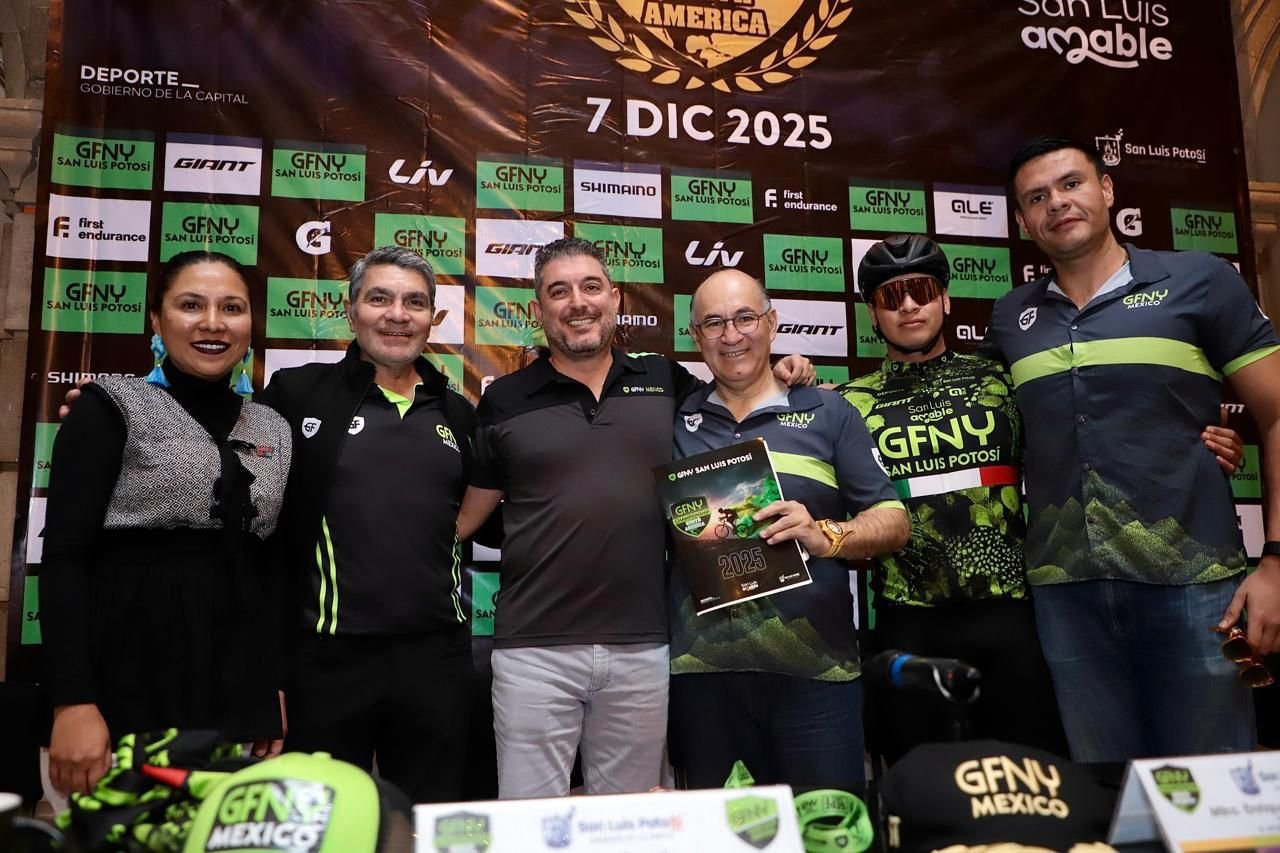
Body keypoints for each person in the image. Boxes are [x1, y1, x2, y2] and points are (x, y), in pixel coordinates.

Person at [457, 238, 813, 798]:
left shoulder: (666, 381)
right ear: (537, 310)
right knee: (529, 820)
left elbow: (739, 396)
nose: (578, 302)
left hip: (644, 647)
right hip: (533, 651)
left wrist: (787, 368)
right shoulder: (504, 400)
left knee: (631, 823)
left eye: (591, 287)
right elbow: (467, 516)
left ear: (615, 299)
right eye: (559, 291)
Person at [978, 135, 1280, 761]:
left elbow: (1277, 415)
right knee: (1110, 796)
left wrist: (1276, 564)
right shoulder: (1011, 317)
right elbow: (963, 409)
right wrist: (800, 379)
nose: (1057, 203)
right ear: (1023, 222)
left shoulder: (1199, 280)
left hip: (1195, 585)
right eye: (1036, 197)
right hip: (1066, 594)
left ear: (1108, 189)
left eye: (1071, 184)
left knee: (1211, 795)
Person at [41, 251, 292, 794]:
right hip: (123, 684)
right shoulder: (109, 406)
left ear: (251, 323)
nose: (213, 323)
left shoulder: (274, 426)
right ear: (156, 319)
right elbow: (64, 560)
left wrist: (269, 684)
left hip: (235, 690)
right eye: (191, 305)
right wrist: (72, 700)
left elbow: (268, 571)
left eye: (232, 308)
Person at [667, 268, 909, 791]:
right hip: (704, 681)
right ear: (695, 337)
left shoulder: (829, 410)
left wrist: (826, 535)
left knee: (829, 828)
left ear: (772, 323)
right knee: (724, 832)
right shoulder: (673, 416)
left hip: (818, 677)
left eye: (745, 318)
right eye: (714, 323)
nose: (731, 335)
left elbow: (894, 520)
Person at [837, 235, 1068, 763]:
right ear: (873, 314)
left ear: (944, 298)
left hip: (1010, 618)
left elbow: (1083, 438)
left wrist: (1198, 439)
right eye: (891, 297)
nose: (908, 306)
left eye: (921, 290)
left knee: (1026, 784)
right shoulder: (848, 404)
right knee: (920, 787)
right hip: (907, 622)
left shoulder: (1002, 381)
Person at [259, 246, 478, 803]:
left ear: (433, 318)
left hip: (436, 663)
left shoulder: (457, 413)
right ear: (351, 310)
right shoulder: (296, 394)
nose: (397, 315)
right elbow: (221, 460)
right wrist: (128, 419)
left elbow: (488, 508)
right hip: (328, 662)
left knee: (428, 824)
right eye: (380, 299)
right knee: (324, 824)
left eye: (415, 303)